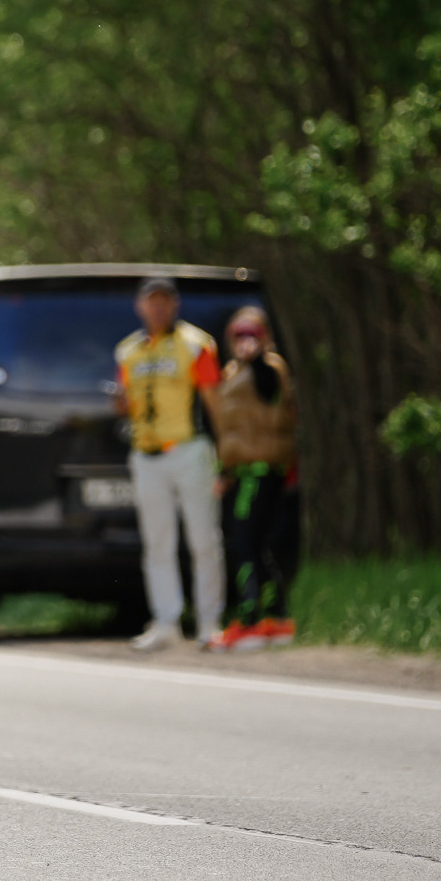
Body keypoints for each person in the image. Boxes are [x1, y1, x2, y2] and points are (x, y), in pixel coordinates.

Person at [113, 276, 227, 650]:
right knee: (157, 541)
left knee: (203, 539)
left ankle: (210, 622)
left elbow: (214, 402)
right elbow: (124, 402)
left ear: (175, 305)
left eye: (165, 301)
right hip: (146, 454)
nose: (158, 308)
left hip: (188, 450)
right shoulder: (128, 351)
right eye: (151, 301)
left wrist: (226, 454)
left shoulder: (196, 345)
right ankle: (166, 621)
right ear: (140, 306)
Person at [211, 305, 299, 648]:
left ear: (265, 338)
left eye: (253, 335)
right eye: (240, 335)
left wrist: (258, 359)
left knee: (245, 543)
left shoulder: (270, 368)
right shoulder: (232, 371)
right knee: (257, 545)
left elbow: (269, 394)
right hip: (242, 470)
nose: (246, 342)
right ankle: (276, 618)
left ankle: (250, 620)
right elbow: (233, 430)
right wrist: (224, 470)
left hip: (262, 469)